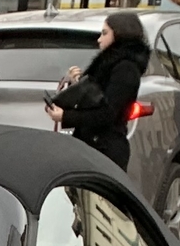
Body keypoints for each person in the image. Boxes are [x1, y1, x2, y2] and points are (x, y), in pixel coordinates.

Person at [47, 11, 149, 172]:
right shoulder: (111, 65)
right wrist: (80, 83)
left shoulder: (126, 68)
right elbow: (99, 97)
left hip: (105, 150)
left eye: (104, 33)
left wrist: (65, 116)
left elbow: (108, 113)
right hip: (93, 146)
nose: (99, 39)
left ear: (120, 34)